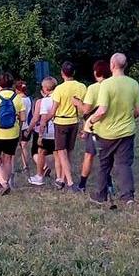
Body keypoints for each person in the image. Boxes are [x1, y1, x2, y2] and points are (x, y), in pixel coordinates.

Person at [85, 53, 139, 207]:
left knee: (104, 164)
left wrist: (90, 121)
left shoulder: (107, 85)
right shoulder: (133, 84)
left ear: (112, 65)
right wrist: (129, 117)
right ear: (125, 65)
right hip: (127, 131)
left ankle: (101, 194)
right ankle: (128, 196)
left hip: (107, 132)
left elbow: (102, 110)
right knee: (124, 164)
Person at [50, 62, 87, 192]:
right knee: (69, 151)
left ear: (62, 73)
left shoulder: (59, 89)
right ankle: (62, 178)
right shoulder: (82, 87)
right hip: (74, 121)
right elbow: (84, 106)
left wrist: (45, 119)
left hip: (61, 122)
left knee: (61, 151)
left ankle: (70, 182)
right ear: (74, 73)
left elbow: (54, 109)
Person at [76, 60, 108, 192]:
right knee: (107, 157)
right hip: (110, 126)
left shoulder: (93, 88)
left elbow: (86, 109)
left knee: (89, 155)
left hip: (94, 126)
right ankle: (109, 183)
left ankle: (82, 184)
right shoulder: (112, 85)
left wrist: (77, 103)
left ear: (96, 73)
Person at [28, 77, 58, 186]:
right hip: (58, 130)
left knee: (40, 152)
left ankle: (39, 175)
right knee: (57, 154)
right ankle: (60, 178)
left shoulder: (44, 101)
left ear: (45, 89)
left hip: (48, 131)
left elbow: (42, 119)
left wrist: (40, 135)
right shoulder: (59, 98)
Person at [13, 79, 34, 175]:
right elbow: (32, 113)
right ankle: (25, 166)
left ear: (17, 90)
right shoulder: (29, 99)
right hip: (27, 126)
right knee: (24, 146)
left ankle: (12, 166)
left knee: (12, 148)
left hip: (17, 125)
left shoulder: (16, 99)